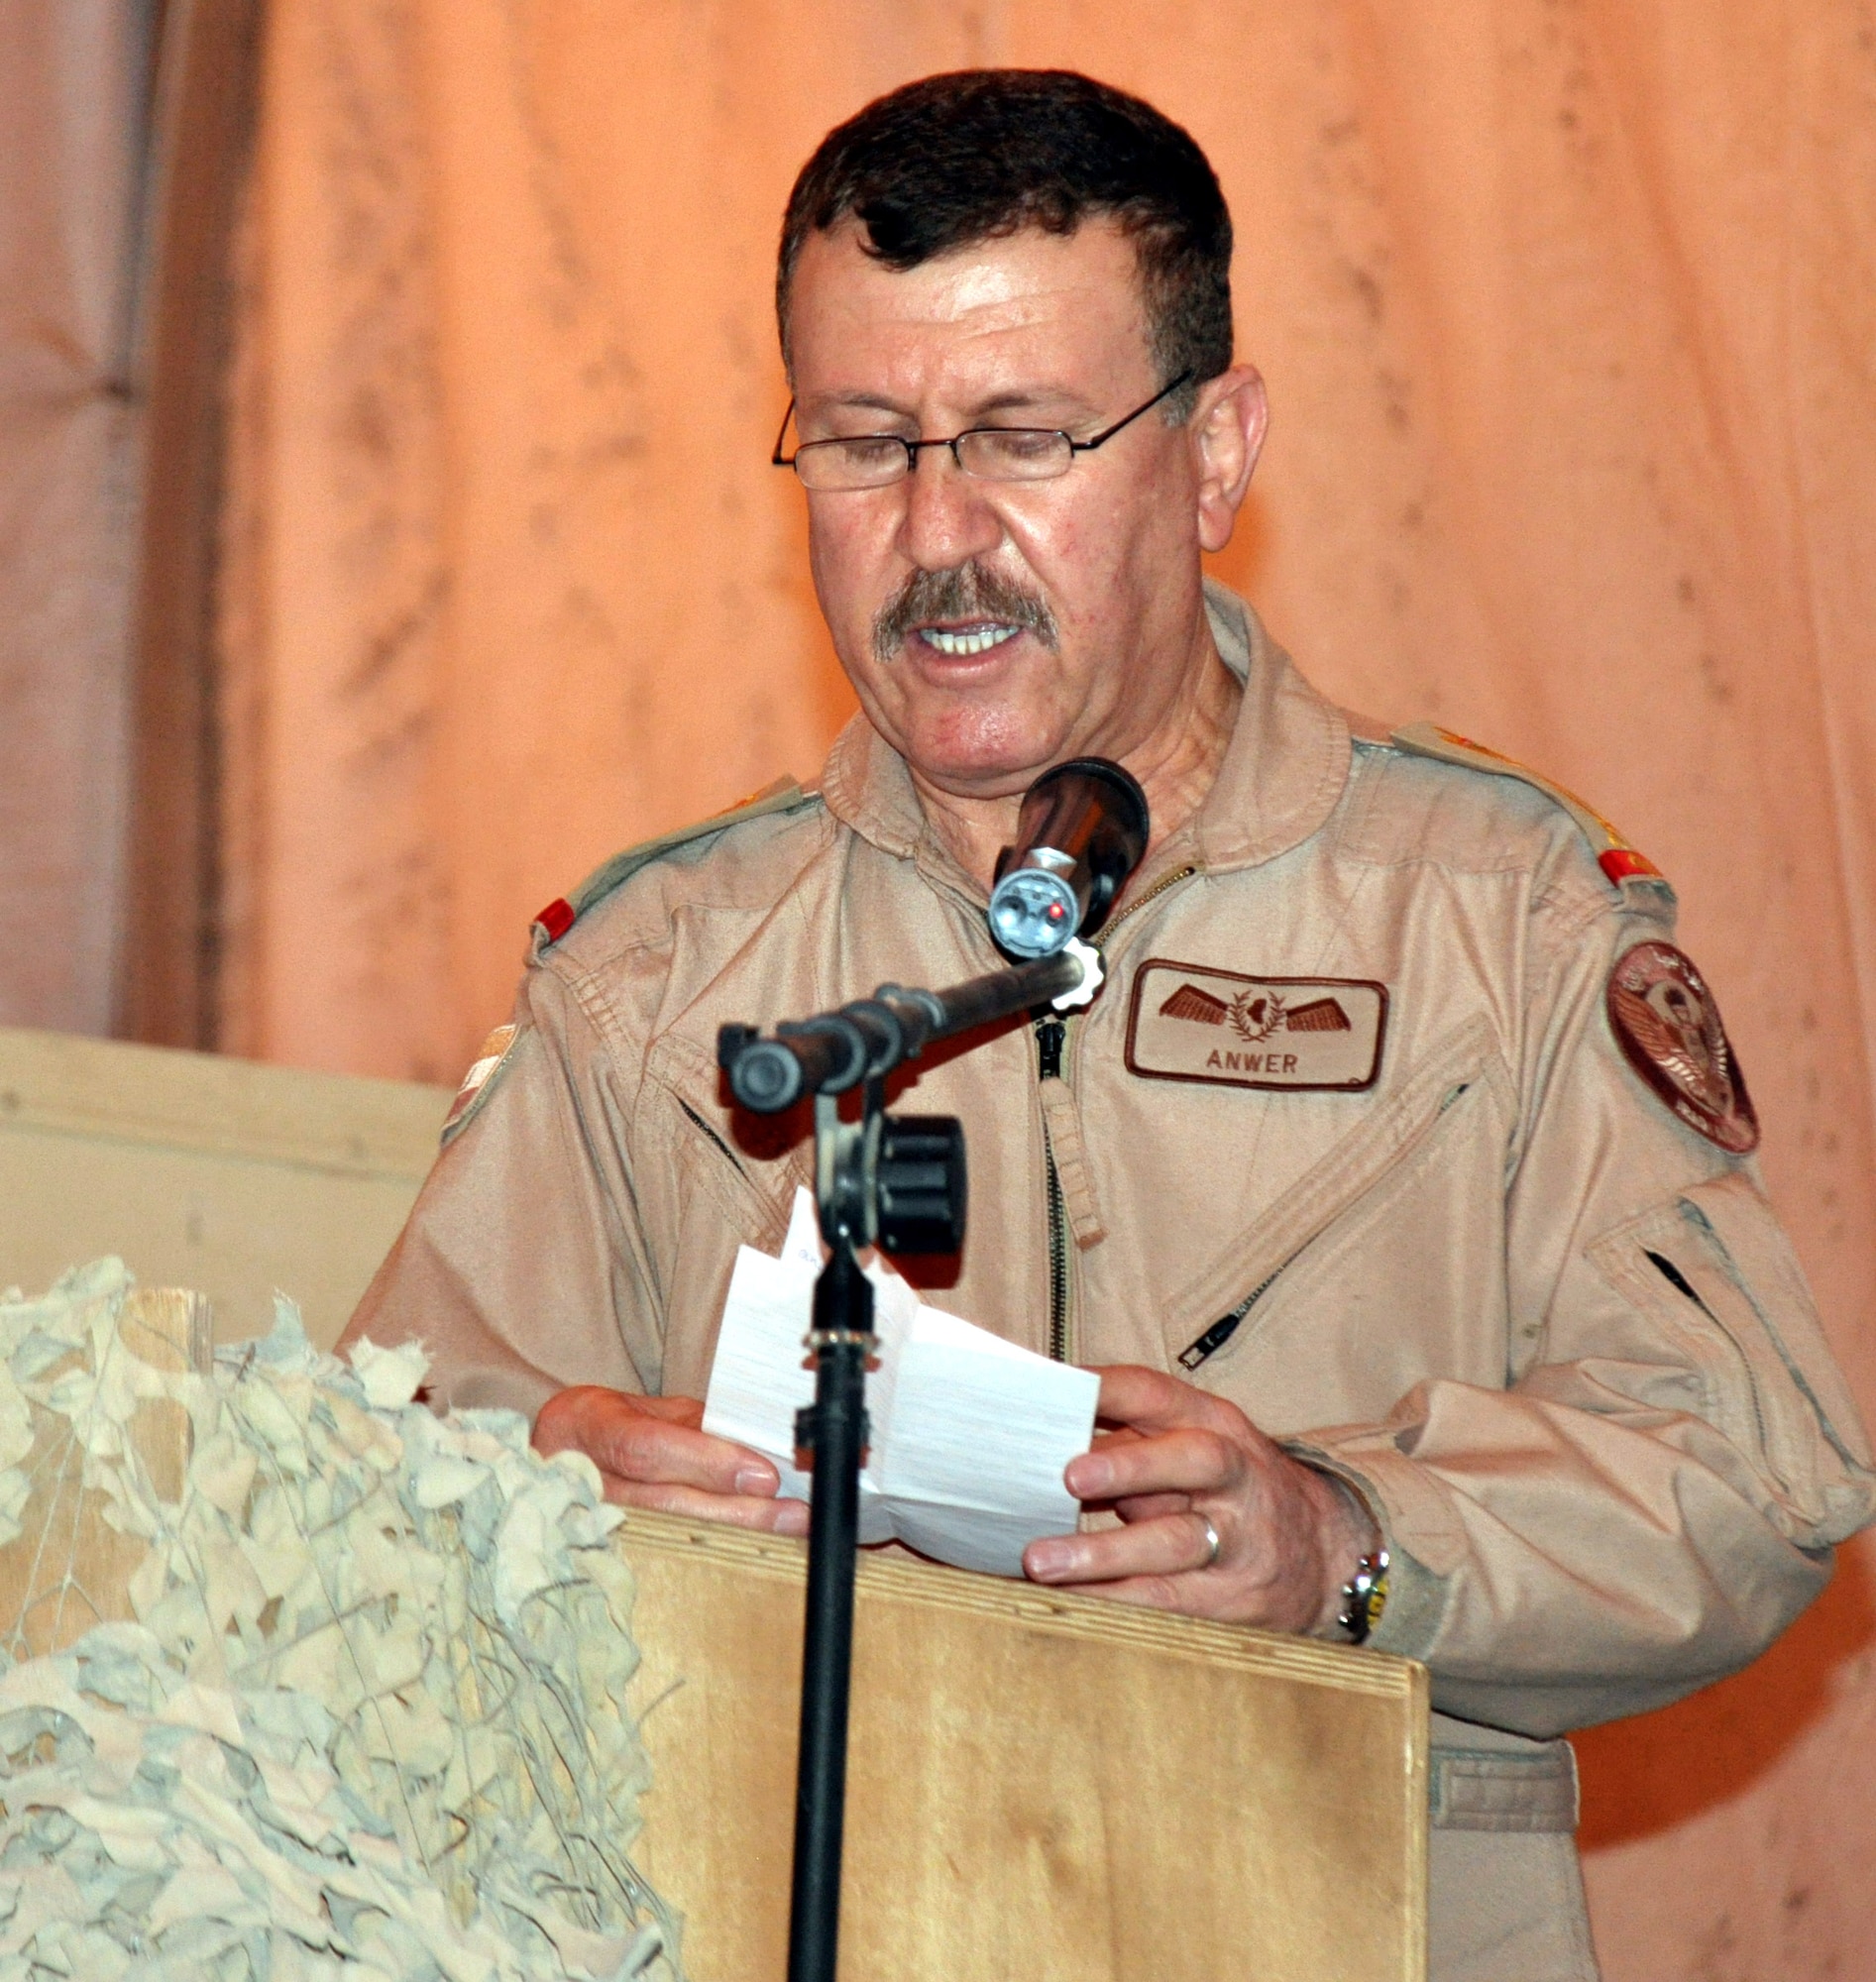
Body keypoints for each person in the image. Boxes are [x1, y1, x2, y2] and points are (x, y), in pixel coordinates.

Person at [342, 69, 1874, 1980]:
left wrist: (1347, 1544)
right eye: (857, 441)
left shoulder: (1494, 912)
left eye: (1021, 437)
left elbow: (1747, 1474)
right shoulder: (662, 970)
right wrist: (547, 1481)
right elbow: (361, 1478)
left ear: (1216, 456)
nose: (932, 536)